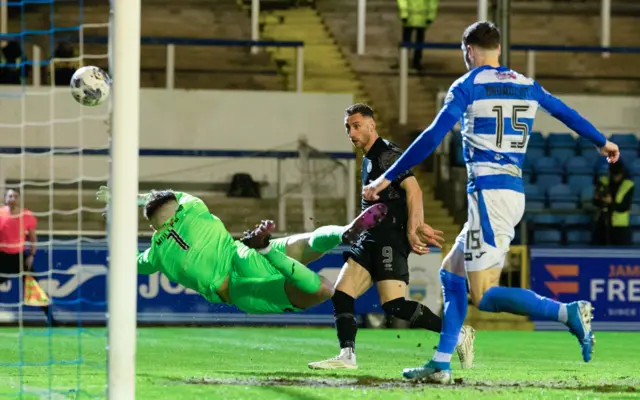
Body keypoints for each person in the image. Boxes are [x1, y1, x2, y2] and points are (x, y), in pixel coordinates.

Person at [362, 21, 620, 383]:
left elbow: (434, 134)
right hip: (509, 192)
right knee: (451, 273)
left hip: (488, 195)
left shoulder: (468, 85)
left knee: (483, 295)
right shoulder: (526, 85)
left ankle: (568, 313)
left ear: (468, 51)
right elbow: (564, 112)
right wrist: (600, 141)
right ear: (498, 49)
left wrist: (386, 176)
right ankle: (440, 363)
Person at [308, 104, 475, 371]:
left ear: (372, 126)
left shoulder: (386, 154)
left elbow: (415, 190)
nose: (351, 132)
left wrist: (413, 227)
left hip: (389, 239)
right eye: (348, 127)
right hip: (369, 239)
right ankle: (347, 356)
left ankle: (457, 334)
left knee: (395, 305)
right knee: (341, 293)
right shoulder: (368, 158)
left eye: (357, 125)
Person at [96, 186, 387, 314]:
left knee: (323, 290)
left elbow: (127, 262)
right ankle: (344, 232)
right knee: (306, 243)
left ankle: (267, 251)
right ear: (176, 204)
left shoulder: (155, 253)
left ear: (153, 227)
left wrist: (112, 227)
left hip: (237, 290)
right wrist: (124, 196)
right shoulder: (193, 206)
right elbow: (153, 197)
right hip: (242, 256)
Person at [0, 188, 57, 326]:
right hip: (2, 257)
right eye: (9, 196)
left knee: (35, 287)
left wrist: (32, 254)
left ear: (19, 198)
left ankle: (51, 319)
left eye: (15, 196)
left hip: (19, 257)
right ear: (5, 198)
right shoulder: (0, 213)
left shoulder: (26, 215)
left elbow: (32, 236)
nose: (12, 199)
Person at [593, 162, 634, 246]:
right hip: (602, 223)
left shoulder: (628, 185)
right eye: (614, 174)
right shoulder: (603, 181)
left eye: (617, 174)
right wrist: (601, 200)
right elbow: (596, 201)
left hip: (620, 226)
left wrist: (610, 202)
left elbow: (624, 207)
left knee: (622, 254)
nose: (616, 177)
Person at [397, 0, 439, 70]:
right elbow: (432, 3)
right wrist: (430, 16)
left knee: (408, 41)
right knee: (418, 42)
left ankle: (405, 61)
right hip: (421, 18)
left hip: (409, 18)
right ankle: (415, 62)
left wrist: (404, 14)